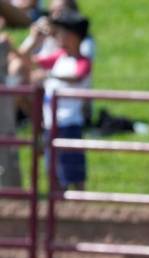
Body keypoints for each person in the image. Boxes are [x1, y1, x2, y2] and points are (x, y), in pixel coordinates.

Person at [20, 9, 91, 190]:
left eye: (62, 33)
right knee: (53, 171)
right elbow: (27, 59)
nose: (58, 37)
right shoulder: (59, 58)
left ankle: (80, 209)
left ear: (74, 37)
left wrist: (48, 75)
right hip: (51, 125)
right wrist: (33, 39)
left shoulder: (82, 61)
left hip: (70, 124)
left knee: (74, 171)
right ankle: (57, 209)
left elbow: (78, 76)